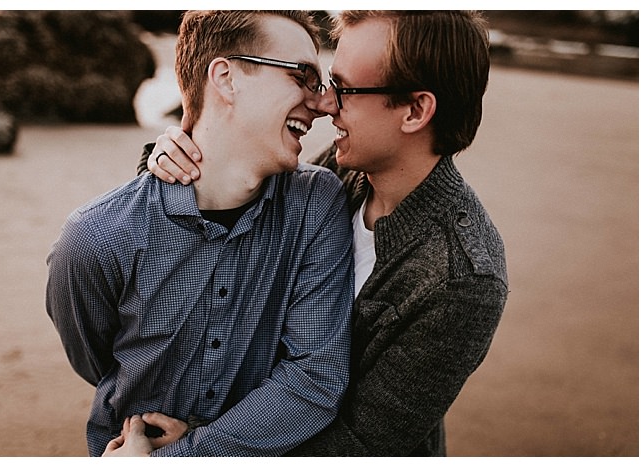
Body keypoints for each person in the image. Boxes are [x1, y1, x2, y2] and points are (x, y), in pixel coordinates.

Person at [137, 10, 508, 456]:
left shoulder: (463, 278)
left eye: (347, 89)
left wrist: (199, 449)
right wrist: (169, 159)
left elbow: (362, 444)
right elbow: (238, 200)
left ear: (415, 110)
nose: (327, 104)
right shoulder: (341, 171)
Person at [45, 10, 354, 457]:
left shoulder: (316, 204)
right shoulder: (96, 237)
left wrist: (185, 453)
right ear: (226, 78)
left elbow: (315, 376)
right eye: (303, 75)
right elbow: (98, 362)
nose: (323, 103)